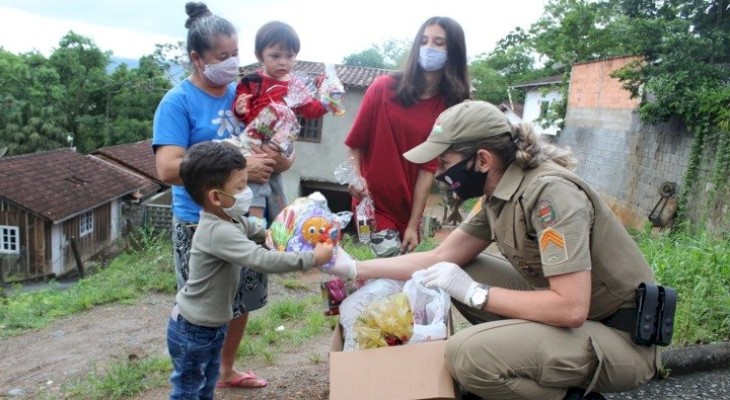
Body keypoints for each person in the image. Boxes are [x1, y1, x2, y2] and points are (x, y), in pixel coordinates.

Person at [329, 101, 661, 399]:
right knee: (454, 270)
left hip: (621, 339)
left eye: (445, 162)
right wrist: (356, 268)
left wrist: (475, 293)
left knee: (466, 355)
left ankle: (566, 397)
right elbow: (438, 258)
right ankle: (513, 371)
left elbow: (571, 307)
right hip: (579, 319)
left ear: (483, 160)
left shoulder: (551, 196)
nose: (440, 175)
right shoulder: (499, 194)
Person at [153, 2, 292, 389]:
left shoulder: (245, 94)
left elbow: (279, 155)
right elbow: (166, 168)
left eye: (235, 54)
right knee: (204, 309)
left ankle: (225, 370)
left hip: (246, 219)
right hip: (201, 223)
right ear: (197, 59)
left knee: (242, 299)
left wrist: (277, 159)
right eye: (222, 56)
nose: (232, 63)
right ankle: (193, 378)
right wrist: (241, 168)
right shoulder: (177, 102)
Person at [167, 141, 333, 400]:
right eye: (240, 187)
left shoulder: (226, 217)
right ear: (215, 196)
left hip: (209, 326)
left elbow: (253, 229)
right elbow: (261, 260)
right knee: (188, 391)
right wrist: (311, 258)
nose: (247, 192)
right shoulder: (218, 231)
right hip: (194, 331)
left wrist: (275, 233)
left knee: (206, 381)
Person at [344, 16, 470, 258]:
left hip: (407, 208)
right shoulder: (382, 88)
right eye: (423, 40)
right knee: (387, 263)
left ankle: (345, 292)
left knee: (392, 280)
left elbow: (427, 170)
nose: (429, 47)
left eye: (438, 42)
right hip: (371, 204)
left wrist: (413, 224)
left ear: (453, 51)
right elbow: (355, 143)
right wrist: (356, 178)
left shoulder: (448, 108)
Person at [232, 20, 331, 229]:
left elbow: (310, 110)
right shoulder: (251, 81)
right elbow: (243, 113)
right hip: (254, 139)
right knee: (257, 185)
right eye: (275, 56)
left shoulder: (296, 85)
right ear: (260, 55)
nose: (283, 62)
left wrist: (327, 102)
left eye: (289, 56)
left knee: (275, 184)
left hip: (279, 142)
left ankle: (280, 226)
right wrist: (240, 109)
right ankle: (256, 224)